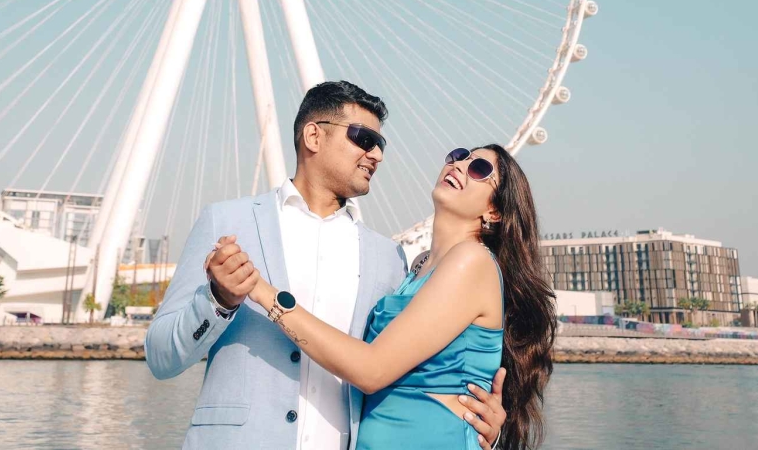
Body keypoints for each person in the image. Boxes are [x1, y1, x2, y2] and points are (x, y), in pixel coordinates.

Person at [147, 80, 508, 450]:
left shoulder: (389, 259)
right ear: (314, 136)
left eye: (380, 145)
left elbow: (403, 368)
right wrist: (219, 300)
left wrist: (481, 427)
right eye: (364, 139)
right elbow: (161, 357)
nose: (377, 155)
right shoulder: (226, 223)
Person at [233, 143, 555, 450]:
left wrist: (264, 293)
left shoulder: (472, 261)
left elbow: (372, 370)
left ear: (494, 211)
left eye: (479, 168)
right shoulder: (416, 266)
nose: (459, 164)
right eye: (459, 155)